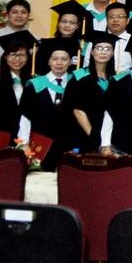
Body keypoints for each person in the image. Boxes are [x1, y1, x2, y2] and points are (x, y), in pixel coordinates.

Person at [17, 37, 82, 169]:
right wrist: (24, 143)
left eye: (64, 59)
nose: (59, 63)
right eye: (55, 59)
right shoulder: (34, 85)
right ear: (48, 61)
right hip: (40, 143)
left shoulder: (77, 84)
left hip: (69, 145)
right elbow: (25, 116)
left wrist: (78, 145)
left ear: (70, 62)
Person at [0, 30, 37, 148]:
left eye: (22, 55)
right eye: (12, 54)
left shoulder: (35, 83)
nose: (17, 59)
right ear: (5, 57)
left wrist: (25, 143)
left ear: (28, 58)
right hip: (1, 139)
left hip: (30, 141)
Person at [63, 30, 117, 153]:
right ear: (92, 52)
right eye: (99, 48)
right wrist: (95, 138)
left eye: (107, 49)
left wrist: (105, 140)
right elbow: (78, 111)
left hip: (107, 139)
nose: (103, 52)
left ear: (112, 53)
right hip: (82, 136)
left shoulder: (114, 80)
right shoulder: (79, 77)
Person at [0, 0, 32, 73]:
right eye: (14, 12)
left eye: (23, 12)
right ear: (7, 15)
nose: (19, 15)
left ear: (28, 15)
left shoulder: (35, 41)